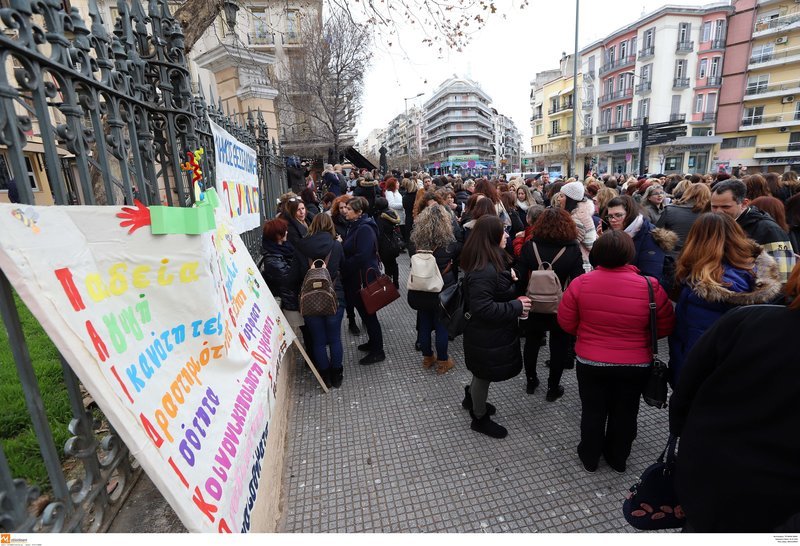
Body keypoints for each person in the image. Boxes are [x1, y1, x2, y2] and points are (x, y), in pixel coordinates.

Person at [668, 264, 800, 532]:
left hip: (709, 476)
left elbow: (687, 387)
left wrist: (680, 434)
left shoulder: (748, 320)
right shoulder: (746, 318)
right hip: (778, 505)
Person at [558, 231, 675, 473]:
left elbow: (566, 322)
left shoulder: (581, 283)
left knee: (593, 410)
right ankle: (618, 457)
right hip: (635, 363)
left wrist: (588, 335)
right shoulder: (650, 286)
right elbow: (664, 326)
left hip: (591, 361)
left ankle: (590, 457)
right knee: (626, 411)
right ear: (630, 253)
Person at [668, 213, 781, 384]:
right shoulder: (755, 274)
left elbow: (695, 344)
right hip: (747, 376)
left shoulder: (702, 285)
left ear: (696, 240)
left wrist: (681, 381)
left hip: (705, 380)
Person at [460, 216, 530, 439]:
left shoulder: (488, 260)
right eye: (503, 231)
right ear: (491, 236)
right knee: (483, 375)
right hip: (485, 335)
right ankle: (479, 417)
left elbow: (493, 292)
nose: (507, 235)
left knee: (481, 373)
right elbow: (484, 308)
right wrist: (517, 306)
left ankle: (472, 399)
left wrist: (509, 278)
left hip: (488, 333)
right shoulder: (484, 269)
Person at [515, 208, 585, 400]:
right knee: (559, 345)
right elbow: (578, 279)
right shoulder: (572, 249)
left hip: (533, 303)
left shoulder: (530, 246)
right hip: (560, 305)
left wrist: (520, 300)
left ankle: (531, 381)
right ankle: (553, 388)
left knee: (532, 343)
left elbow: (520, 277)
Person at [290, 214, 346, 388]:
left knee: (318, 340)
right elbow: (345, 268)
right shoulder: (336, 245)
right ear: (330, 226)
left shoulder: (301, 246)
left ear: (312, 225)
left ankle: (324, 375)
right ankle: (337, 374)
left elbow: (293, 276)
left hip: (310, 300)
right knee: (335, 338)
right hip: (334, 297)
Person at [407, 205, 461, 375]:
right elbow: (457, 258)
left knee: (424, 323)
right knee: (441, 326)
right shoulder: (449, 243)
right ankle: (443, 361)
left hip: (421, 288)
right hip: (443, 288)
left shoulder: (415, 242)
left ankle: (427, 357)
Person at [711, 179, 795, 284]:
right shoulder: (714, 224)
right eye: (714, 206)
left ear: (744, 203)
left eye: (725, 207)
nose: (718, 211)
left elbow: (783, 275)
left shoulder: (769, 230)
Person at [342, 196, 385, 365]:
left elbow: (362, 255)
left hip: (362, 278)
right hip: (356, 277)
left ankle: (378, 351)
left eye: (349, 209)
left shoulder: (364, 228)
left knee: (369, 314)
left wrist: (344, 265)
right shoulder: (356, 225)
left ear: (359, 212)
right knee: (365, 313)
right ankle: (373, 343)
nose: (345, 211)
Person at [604, 195, 677, 287]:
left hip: (637, 289)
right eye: (610, 216)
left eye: (618, 215)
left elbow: (651, 279)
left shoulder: (649, 236)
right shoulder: (615, 233)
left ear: (630, 214)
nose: (613, 220)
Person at [656, 183, 711, 257]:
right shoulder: (711, 214)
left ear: (687, 193)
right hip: (698, 255)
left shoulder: (669, 209)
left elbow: (657, 231)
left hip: (672, 254)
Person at [560, 181, 597, 262]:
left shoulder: (576, 219)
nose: (559, 199)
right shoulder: (582, 213)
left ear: (570, 199)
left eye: (562, 196)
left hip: (581, 261)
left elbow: (570, 243)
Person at [372, 197, 402, 288]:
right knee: (394, 263)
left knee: (387, 265)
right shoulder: (393, 214)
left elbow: (380, 234)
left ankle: (389, 283)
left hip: (385, 245)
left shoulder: (381, 218)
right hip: (394, 242)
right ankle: (396, 282)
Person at [401, 177, 418, 248]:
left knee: (409, 236)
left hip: (408, 218)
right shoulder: (417, 197)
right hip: (417, 217)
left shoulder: (405, 197)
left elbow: (404, 207)